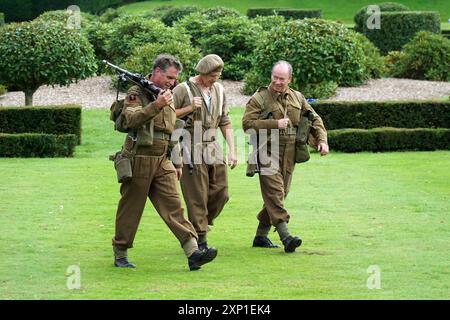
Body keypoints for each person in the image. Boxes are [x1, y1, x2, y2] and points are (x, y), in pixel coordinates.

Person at [111, 54, 217, 271]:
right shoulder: (137, 93)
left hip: (163, 160)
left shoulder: (165, 95)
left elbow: (172, 130)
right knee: (131, 208)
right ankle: (120, 252)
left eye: (175, 78)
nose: (172, 82)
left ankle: (192, 251)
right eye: (169, 77)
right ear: (157, 72)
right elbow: (129, 121)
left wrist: (176, 161)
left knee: (174, 207)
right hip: (139, 157)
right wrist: (156, 105)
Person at [242, 60, 329, 253]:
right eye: (275, 77)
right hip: (266, 150)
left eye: (282, 78)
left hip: (290, 152)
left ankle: (260, 236)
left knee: (280, 195)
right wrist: (274, 123)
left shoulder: (298, 97)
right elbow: (247, 124)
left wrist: (322, 140)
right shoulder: (260, 98)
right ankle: (286, 236)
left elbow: (314, 119)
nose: (278, 82)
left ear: (289, 79)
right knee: (274, 193)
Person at [172, 54, 237, 251]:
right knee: (196, 195)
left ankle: (201, 223)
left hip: (213, 144)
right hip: (189, 145)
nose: (215, 80)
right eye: (212, 76)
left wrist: (232, 150)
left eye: (218, 76)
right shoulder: (182, 90)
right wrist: (190, 108)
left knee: (222, 192)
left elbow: (224, 120)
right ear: (202, 74)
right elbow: (167, 116)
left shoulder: (219, 89)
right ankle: (201, 240)